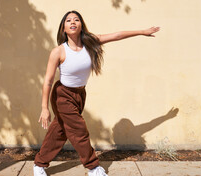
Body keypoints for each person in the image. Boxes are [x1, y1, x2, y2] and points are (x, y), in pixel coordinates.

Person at [33, 10, 160, 176]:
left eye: (76, 20)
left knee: (60, 131)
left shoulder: (90, 43)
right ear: (63, 28)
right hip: (62, 95)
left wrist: (142, 32)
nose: (73, 22)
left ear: (81, 25)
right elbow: (48, 81)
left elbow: (117, 35)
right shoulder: (58, 51)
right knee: (79, 130)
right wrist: (44, 107)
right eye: (68, 20)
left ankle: (39, 164)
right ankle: (93, 167)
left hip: (79, 94)